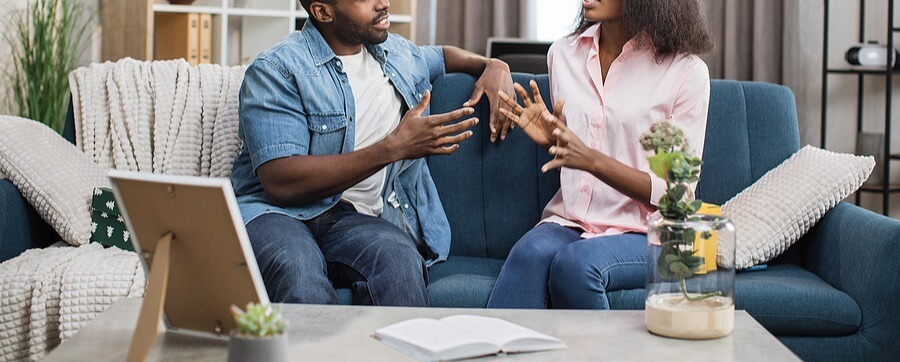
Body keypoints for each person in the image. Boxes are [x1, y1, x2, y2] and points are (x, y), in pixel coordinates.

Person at [230, 0, 515, 306]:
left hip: (349, 218)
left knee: (399, 259)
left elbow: (443, 56)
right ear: (323, 12)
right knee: (296, 266)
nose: (384, 3)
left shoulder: (399, 55)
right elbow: (281, 183)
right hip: (276, 214)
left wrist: (494, 65)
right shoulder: (278, 68)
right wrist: (393, 148)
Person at [487, 0, 715, 309]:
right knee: (528, 254)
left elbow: (678, 194)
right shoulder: (562, 55)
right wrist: (555, 141)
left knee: (576, 266)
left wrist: (591, 159)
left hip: (649, 232)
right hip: (571, 221)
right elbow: (580, 145)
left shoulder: (686, 72)